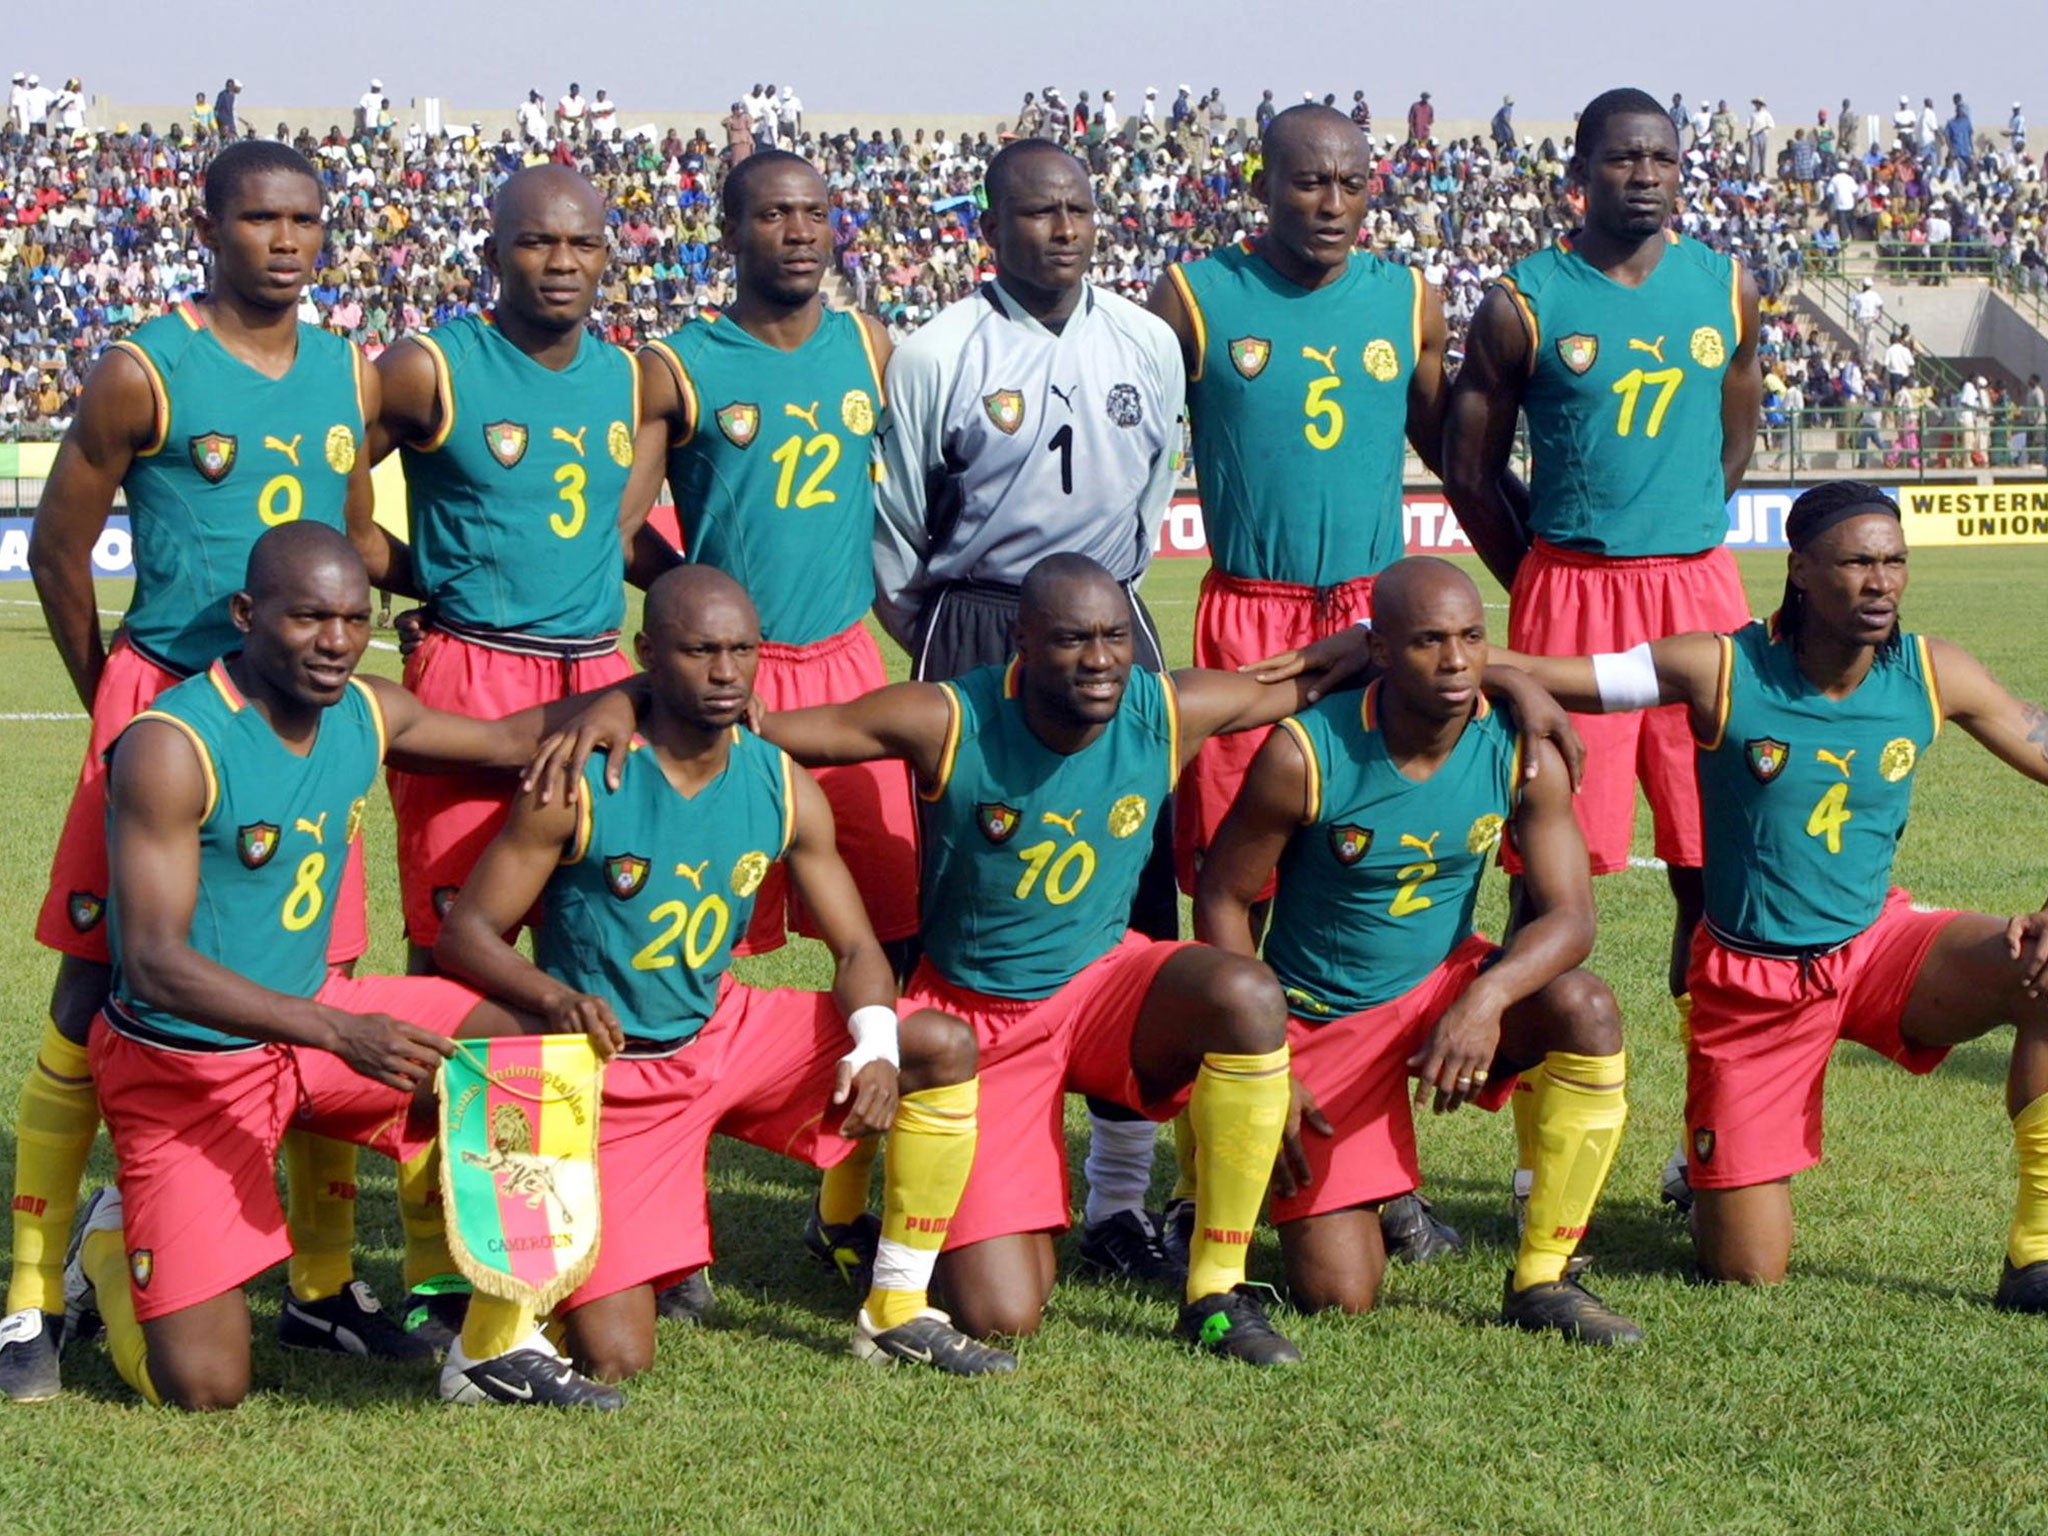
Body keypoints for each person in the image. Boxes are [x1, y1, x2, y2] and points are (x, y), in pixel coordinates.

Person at [750, 553, 1580, 1361]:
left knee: (1246, 994)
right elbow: (779, 731)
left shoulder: (1167, 707)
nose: (1102, 660)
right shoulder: (947, 717)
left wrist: (1502, 677)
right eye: (1074, 640)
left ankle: (1213, 1288)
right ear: (1024, 644)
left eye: (1116, 636)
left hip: (1107, 984)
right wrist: (641, 701)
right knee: (1004, 1311)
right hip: (981, 1018)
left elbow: (1330, 677)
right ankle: (847, 1210)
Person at [60, 522, 634, 1411]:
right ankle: (103, 1243)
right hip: (188, 1066)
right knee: (205, 1388)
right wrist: (339, 1030)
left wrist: (637, 694)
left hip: (316, 1026)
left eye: (354, 619)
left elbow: (509, 741)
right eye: (309, 618)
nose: (335, 642)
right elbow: (154, 964)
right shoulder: (172, 743)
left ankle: (489, 1341)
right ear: (248, 615)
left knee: (532, 1042)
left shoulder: (367, 709)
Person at [2, 141, 403, 1403]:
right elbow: (62, 552)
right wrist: (124, 707)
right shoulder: (144, 368)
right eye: (259, 219)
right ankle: (25, 1295)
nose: (284, 242)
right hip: (172, 710)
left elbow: (344, 531)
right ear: (210, 225)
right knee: (88, 991)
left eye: (304, 221)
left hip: (294, 720)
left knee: (319, 971)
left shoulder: (349, 369)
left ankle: (326, 1289)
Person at [1454, 482, 2048, 1299]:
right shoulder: (1720, 666)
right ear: (1801, 569)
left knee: (2045, 971)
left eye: (1895, 562)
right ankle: (1712, 1174)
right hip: (1754, 983)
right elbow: (1564, 675)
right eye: (1857, 563)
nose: (1882, 583)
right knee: (1746, 1269)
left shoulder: (1934, 671)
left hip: (1878, 946)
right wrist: (1409, 652)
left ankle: (2036, 1256)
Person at [436, 566, 1013, 1381]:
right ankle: (544, 1281)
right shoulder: (583, 778)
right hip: (618, 1071)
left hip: (726, 1033)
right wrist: (555, 996)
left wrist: (876, 1042)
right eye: (700, 650)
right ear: (648, 656)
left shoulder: (780, 781)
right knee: (618, 1355)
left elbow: (856, 949)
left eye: (742, 650)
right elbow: (468, 935)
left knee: (940, 1046)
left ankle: (896, 1309)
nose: (725, 672)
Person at [1147, 104, 1459, 1264]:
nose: (1327, 203)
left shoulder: (1406, 298)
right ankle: (1208, 1166)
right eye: (1304, 182)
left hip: (1377, 623)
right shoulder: (1192, 295)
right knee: (1238, 891)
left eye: (1347, 183)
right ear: (1261, 185)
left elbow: (1452, 444)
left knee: (1379, 892)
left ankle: (1381, 1176)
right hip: (1254, 619)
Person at [872, 138, 1187, 1280]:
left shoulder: (1147, 342)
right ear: (989, 228)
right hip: (971, 622)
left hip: (1111, 627)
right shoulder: (936, 350)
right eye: (1035, 212)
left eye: (1078, 209)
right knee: (947, 903)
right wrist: (952, 644)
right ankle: (909, 1167)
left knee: (1136, 898)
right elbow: (897, 526)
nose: (1062, 229)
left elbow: (1151, 494)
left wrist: (1101, 618)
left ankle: (1115, 1198)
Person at [1201, 560, 1639, 1343]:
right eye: (1428, 642)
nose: (1456, 662)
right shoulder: (1304, 753)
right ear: (1378, 651)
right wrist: (1269, 1063)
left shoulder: (1516, 745)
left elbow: (1571, 918)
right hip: (1322, 1018)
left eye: (1472, 638)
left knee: (1586, 1006)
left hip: (1443, 990)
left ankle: (1545, 1276)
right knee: (1341, 1293)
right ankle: (1218, 1151)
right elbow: (1224, 899)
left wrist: (1486, 998)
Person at [1445, 87, 1759, 1032]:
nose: (1648, 175)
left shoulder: (1725, 285)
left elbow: (1731, 439)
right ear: (1579, 176)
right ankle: (1538, 1146)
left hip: (1701, 592)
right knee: (1544, 874)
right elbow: (1470, 471)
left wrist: (1685, 525)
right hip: (1572, 590)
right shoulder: (1524, 300)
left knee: (1715, 868)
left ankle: (1704, 1130)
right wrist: (1541, 575)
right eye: (1624, 159)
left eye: (1663, 157)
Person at [628, 151, 918, 982]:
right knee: (695, 927)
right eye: (772, 215)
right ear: (728, 233)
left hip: (848, 665)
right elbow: (621, 527)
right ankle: (685, 1095)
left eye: (814, 214)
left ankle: (888, 1093)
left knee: (889, 915)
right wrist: (700, 608)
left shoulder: (868, 343)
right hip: (726, 676)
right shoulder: (678, 362)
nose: (799, 233)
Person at [372, 165, 644, 983]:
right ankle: (432, 1115)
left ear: (606, 257)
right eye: (537, 241)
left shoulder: (628, 376)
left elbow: (616, 532)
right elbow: (336, 504)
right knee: (454, 945)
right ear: (493, 253)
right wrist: (437, 582)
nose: (562, 261)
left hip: (600, 672)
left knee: (594, 941)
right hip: (474, 671)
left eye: (582, 243)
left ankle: (585, 1114)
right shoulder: (430, 366)